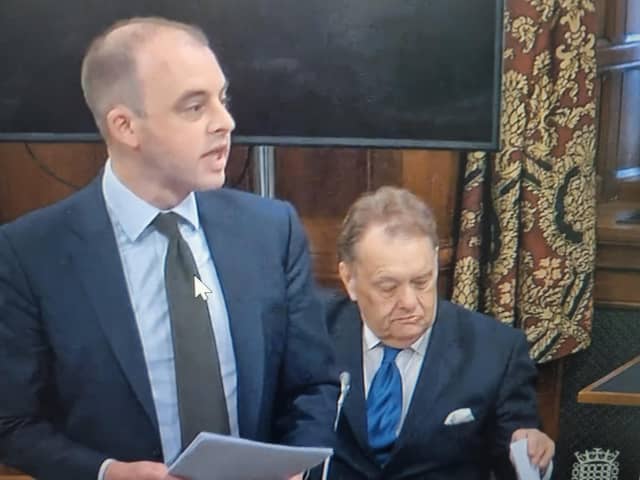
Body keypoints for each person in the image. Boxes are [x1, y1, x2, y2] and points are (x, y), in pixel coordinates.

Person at [0, 17, 337, 480]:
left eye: (223, 99)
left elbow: (312, 386)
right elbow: (13, 423)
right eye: (195, 107)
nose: (226, 122)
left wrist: (297, 470)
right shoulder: (29, 254)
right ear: (125, 126)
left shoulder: (272, 230)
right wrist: (106, 472)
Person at [321, 186, 554, 479]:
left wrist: (533, 456)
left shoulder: (494, 351)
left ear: (434, 263)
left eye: (421, 281)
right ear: (349, 279)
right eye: (388, 287)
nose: (409, 302)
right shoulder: (315, 334)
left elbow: (517, 457)